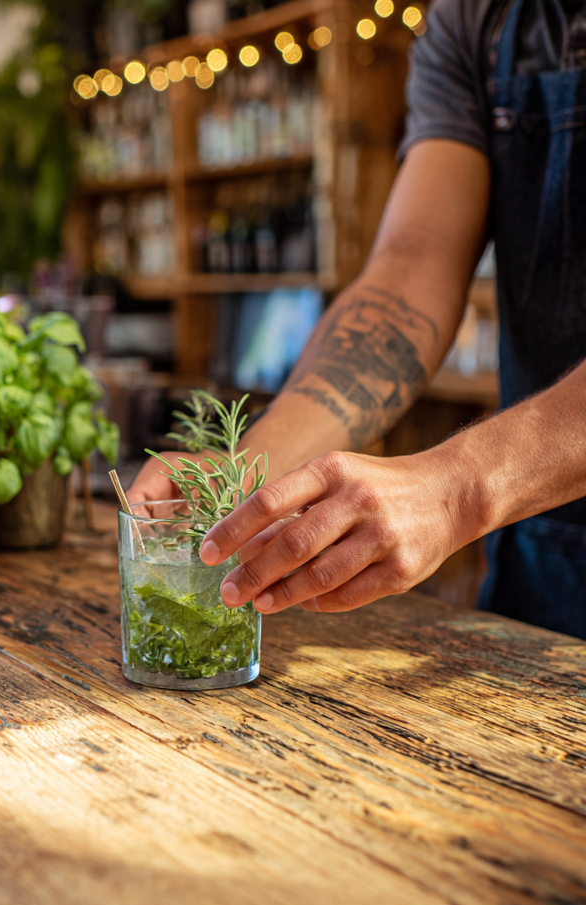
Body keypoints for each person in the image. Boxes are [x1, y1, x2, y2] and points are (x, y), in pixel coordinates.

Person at [127, 0, 586, 640]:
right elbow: (414, 263)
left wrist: (457, 489)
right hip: (543, 554)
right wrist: (245, 475)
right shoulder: (474, 20)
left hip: (512, 487)